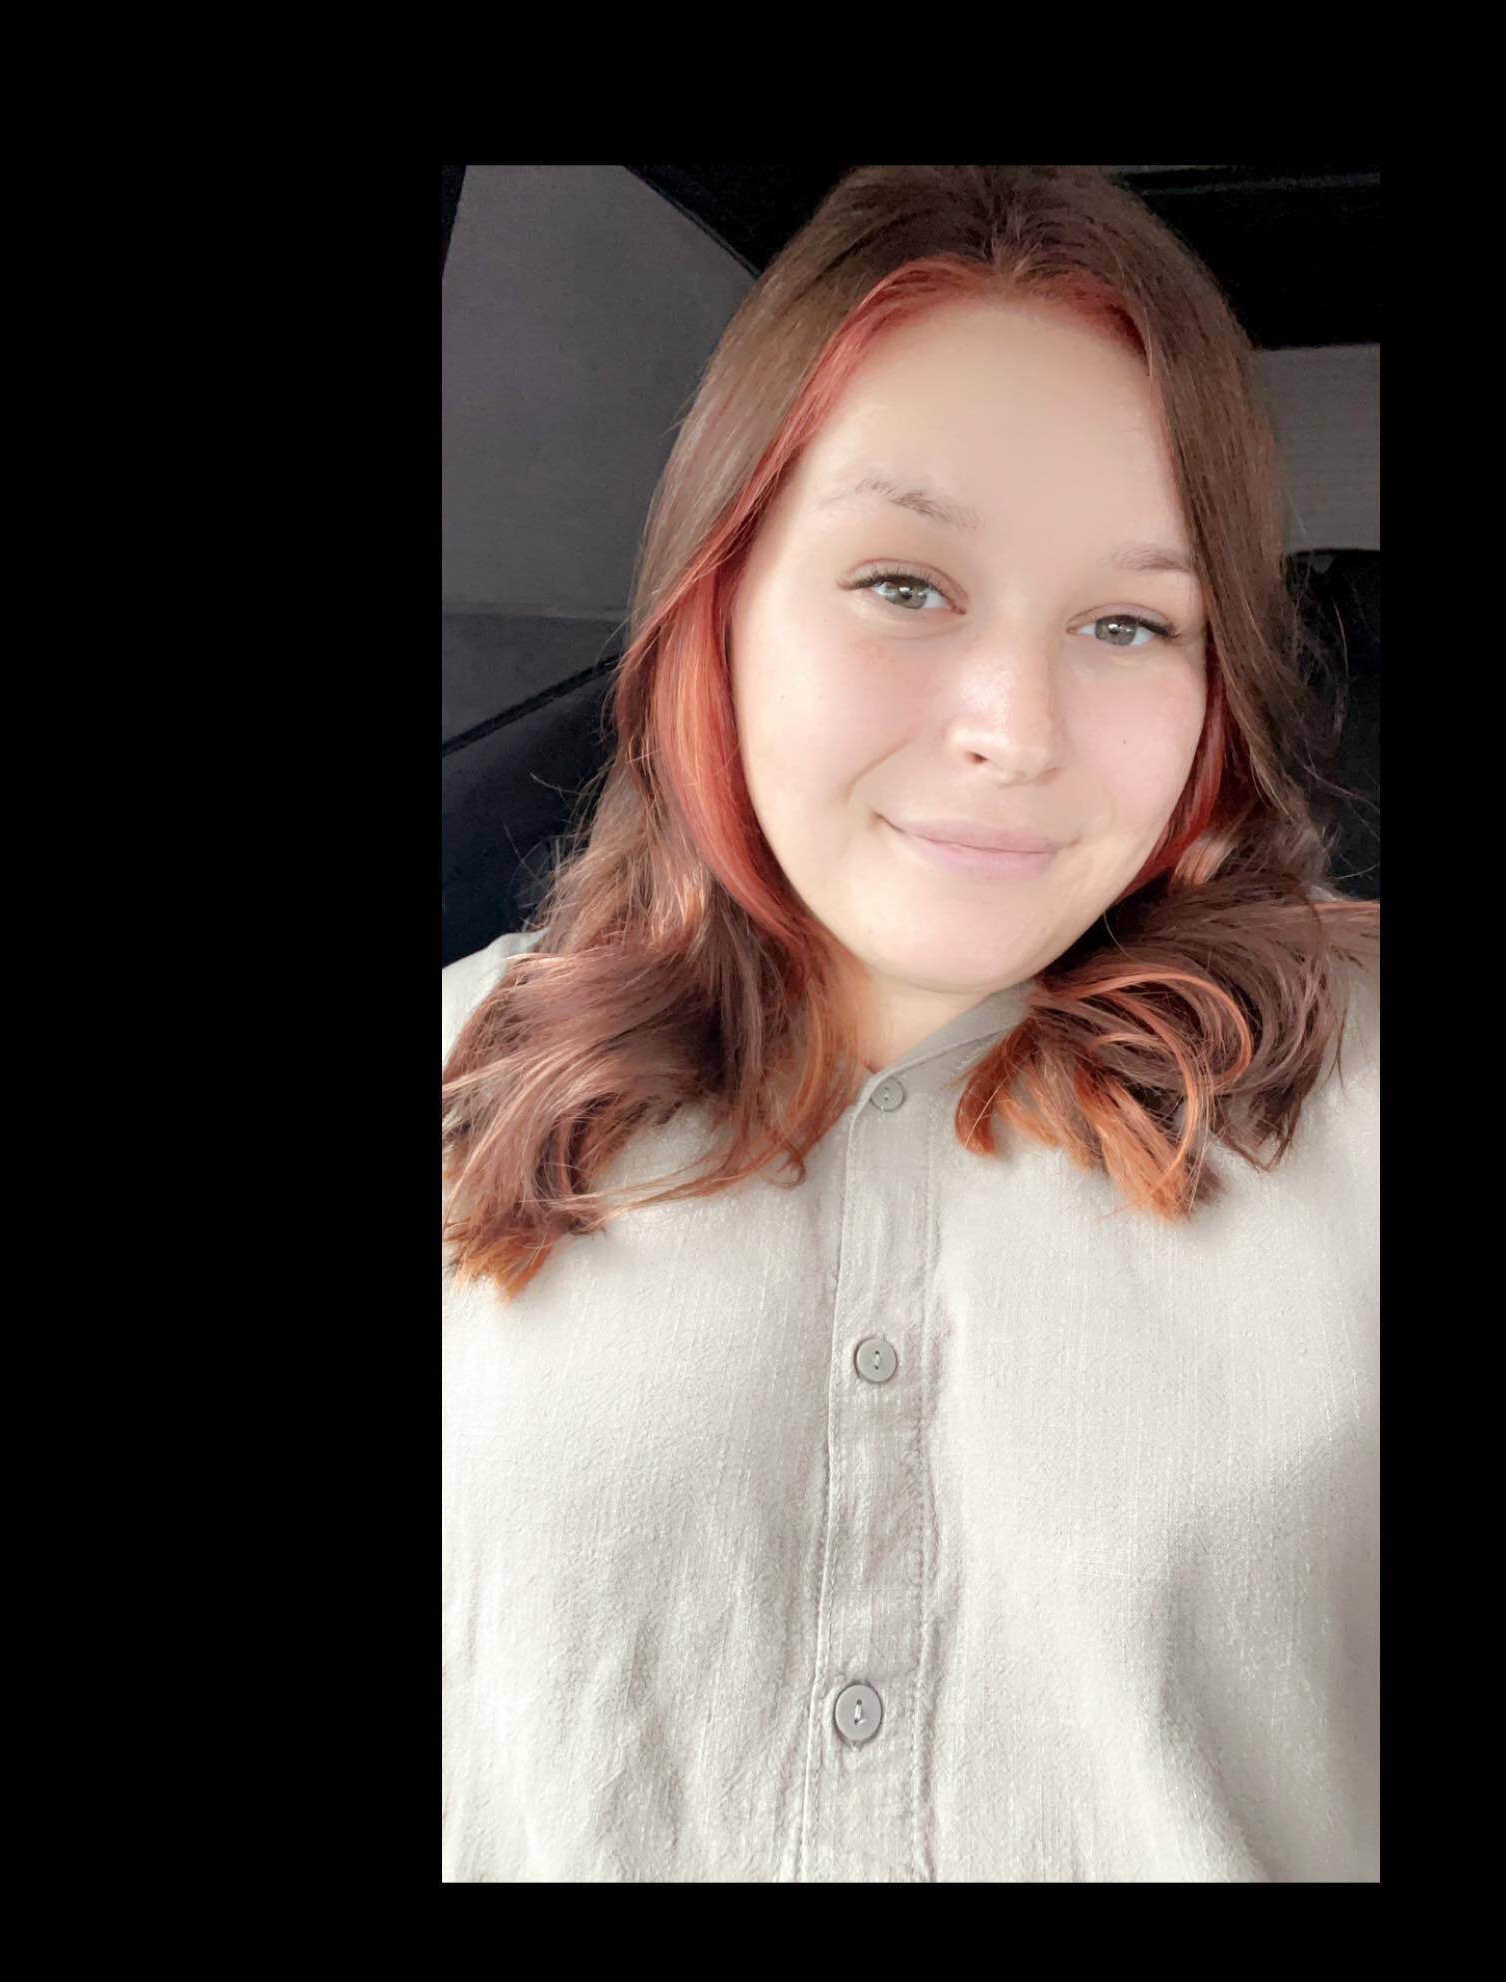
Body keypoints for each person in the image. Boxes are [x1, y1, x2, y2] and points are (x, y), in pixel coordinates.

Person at [442, 165, 1380, 1883]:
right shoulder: (457, 1066)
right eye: (904, 584)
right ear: (722, 592)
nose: (1015, 728)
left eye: (1126, 622)